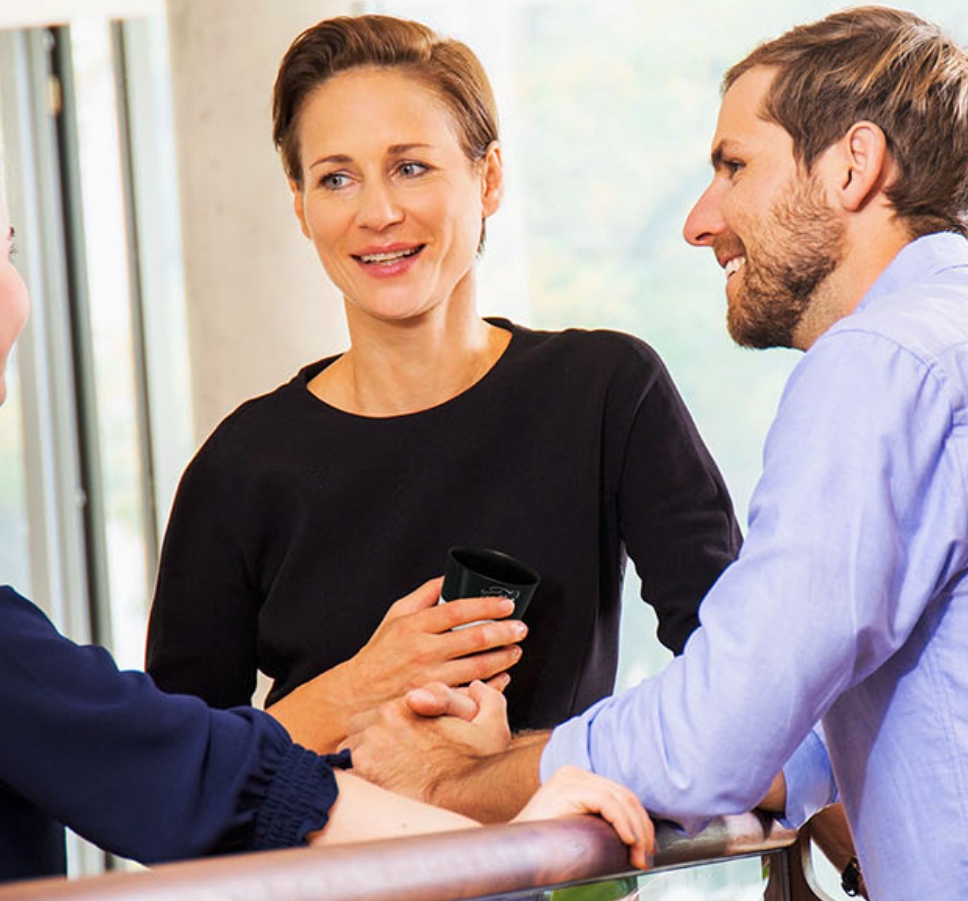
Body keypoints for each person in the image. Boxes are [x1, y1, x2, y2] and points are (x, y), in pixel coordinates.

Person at [0, 98, 651, 901]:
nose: (17, 288)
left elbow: (140, 750)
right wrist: (512, 842)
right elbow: (149, 756)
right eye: (6, 249)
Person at [340, 9, 968, 898]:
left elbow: (713, 735)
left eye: (735, 166)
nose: (701, 221)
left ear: (854, 165)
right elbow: (834, 719)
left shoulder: (886, 361)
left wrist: (461, 781)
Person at [145, 14, 739, 751]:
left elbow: (743, 675)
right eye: (336, 178)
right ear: (300, 205)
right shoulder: (239, 467)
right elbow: (169, 776)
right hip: (336, 866)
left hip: (562, 865)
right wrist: (359, 687)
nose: (378, 213)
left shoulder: (605, 391)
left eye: (411, 167)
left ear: (488, 179)